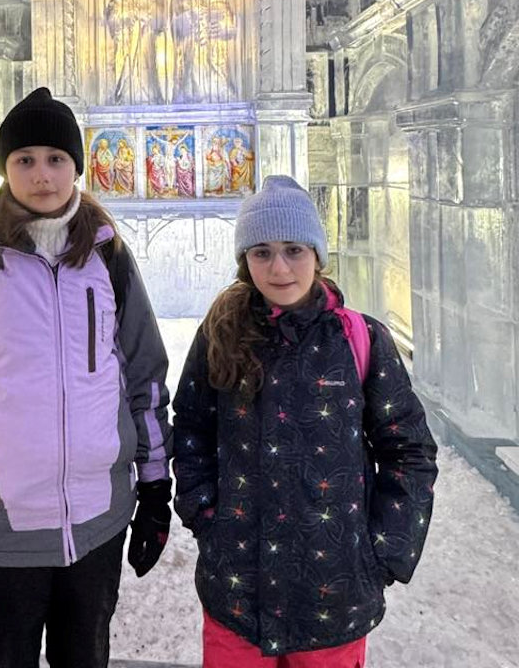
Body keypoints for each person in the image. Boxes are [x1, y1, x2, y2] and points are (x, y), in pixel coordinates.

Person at [0, 88, 172, 668]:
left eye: (55, 158)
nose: (42, 175)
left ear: (77, 166)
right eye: (24, 159)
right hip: (1, 541)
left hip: (97, 530)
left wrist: (154, 491)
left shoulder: (109, 260)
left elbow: (144, 381)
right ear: (6, 168)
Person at [173, 175, 437, 667]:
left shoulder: (360, 339)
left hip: (334, 599)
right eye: (262, 252)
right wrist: (205, 515)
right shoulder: (220, 335)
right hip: (237, 595)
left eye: (294, 250)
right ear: (245, 259)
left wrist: (383, 552)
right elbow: (191, 428)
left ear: (317, 253)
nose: (279, 268)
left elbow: (409, 449)